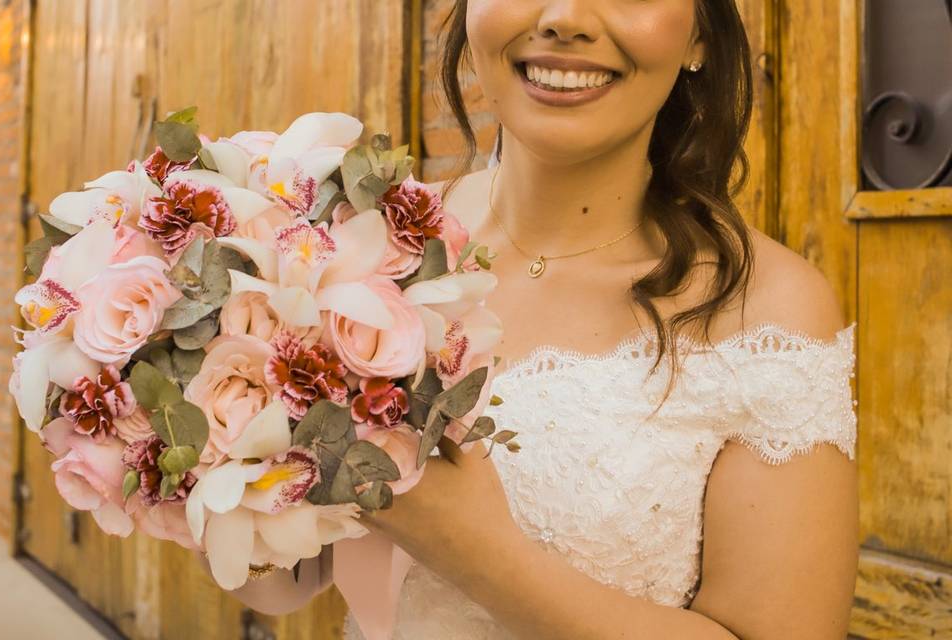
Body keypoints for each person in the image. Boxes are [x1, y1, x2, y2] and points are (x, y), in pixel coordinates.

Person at [247, 1, 860, 638]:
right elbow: (294, 570)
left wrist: (476, 551)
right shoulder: (370, 242)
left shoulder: (768, 313)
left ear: (699, 35)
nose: (565, 16)